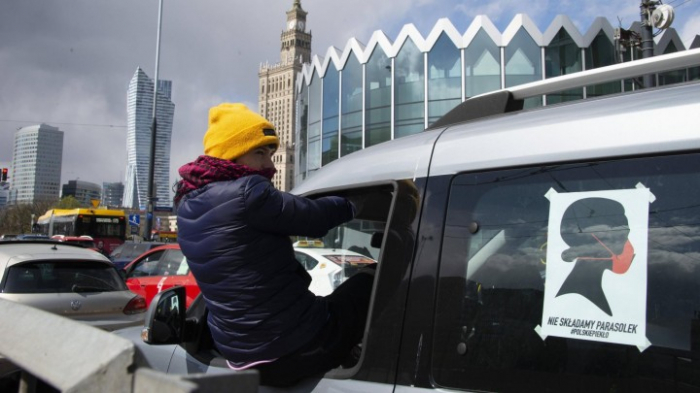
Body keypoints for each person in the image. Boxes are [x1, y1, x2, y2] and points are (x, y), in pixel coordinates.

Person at [174, 103, 375, 386]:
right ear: (231, 154)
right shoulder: (248, 193)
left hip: (240, 359)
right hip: (293, 348)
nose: (269, 164)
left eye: (271, 153)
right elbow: (312, 217)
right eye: (259, 152)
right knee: (371, 281)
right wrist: (354, 206)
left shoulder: (186, 208)